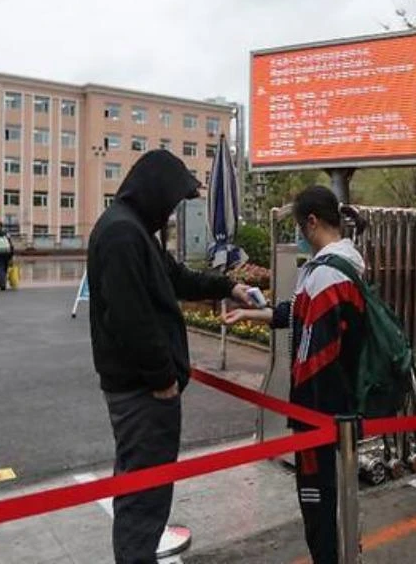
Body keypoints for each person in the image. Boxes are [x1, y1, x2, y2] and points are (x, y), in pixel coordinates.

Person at [87, 149, 251, 564]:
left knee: (142, 485)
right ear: (154, 191)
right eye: (172, 201)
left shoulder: (134, 229)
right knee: (144, 493)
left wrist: (227, 287)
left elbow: (175, 278)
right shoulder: (123, 234)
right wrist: (162, 378)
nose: (172, 212)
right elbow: (130, 318)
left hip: (141, 388)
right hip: (142, 392)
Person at [223, 186, 367, 564]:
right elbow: (298, 313)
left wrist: (300, 414)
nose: (298, 235)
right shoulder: (343, 263)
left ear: (312, 222)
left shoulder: (325, 274)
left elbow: (313, 356)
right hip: (341, 402)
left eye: (299, 227)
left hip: (319, 409)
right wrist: (253, 312)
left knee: (317, 500)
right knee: (338, 494)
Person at [0, 222, 15, 291]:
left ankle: (2, 284)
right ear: (2, 227)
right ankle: (3, 282)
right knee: (5, 268)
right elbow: (11, 244)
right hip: (7, 253)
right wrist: (11, 255)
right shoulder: (6, 234)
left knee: (0, 269)